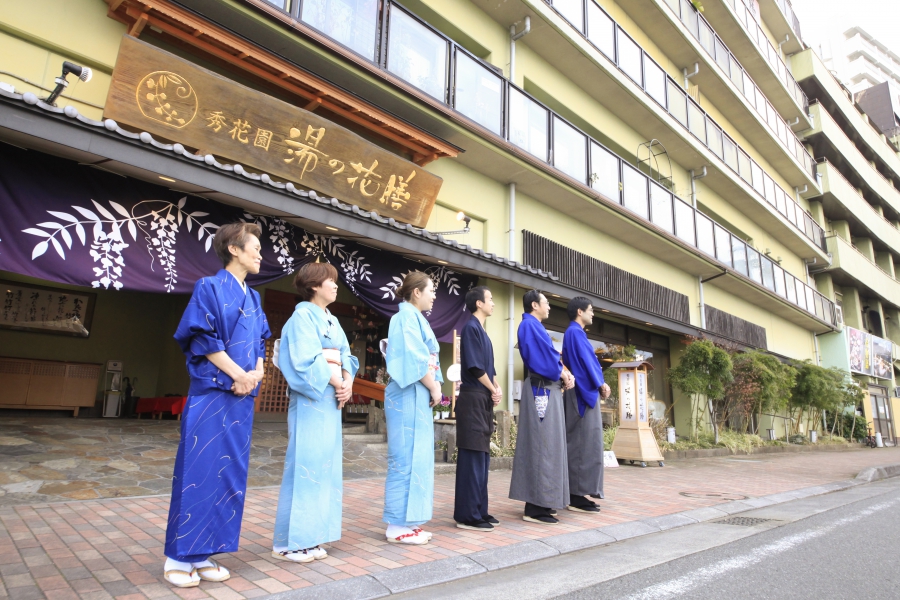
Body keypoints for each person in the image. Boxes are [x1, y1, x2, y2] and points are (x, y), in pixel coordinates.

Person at [163, 222, 271, 588]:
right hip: (213, 392)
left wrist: (255, 372)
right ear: (234, 249)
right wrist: (237, 375)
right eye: (254, 247)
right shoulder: (208, 287)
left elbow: (260, 343)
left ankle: (205, 551)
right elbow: (202, 338)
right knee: (200, 469)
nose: (260, 253)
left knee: (229, 473)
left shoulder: (253, 297)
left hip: (242, 396)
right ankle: (179, 556)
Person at [271, 262, 359, 563]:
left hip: (331, 397)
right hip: (312, 396)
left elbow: (346, 354)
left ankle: (311, 536)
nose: (335, 285)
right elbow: (304, 357)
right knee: (305, 464)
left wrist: (348, 382)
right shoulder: (301, 317)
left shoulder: (331, 319)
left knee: (325, 464)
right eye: (330, 281)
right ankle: (292, 542)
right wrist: (338, 381)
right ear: (313, 286)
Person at [383, 271, 443, 544]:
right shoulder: (404, 317)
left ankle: (410, 521)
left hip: (418, 391)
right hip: (408, 392)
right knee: (404, 457)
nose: (433, 295)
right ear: (416, 292)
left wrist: (434, 385)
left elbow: (426, 358)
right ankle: (396, 525)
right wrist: (433, 385)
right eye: (430, 290)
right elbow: (414, 357)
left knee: (417, 456)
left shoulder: (414, 318)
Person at [509, 290, 575, 525]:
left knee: (549, 444)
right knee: (541, 444)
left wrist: (563, 373)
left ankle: (544, 500)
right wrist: (562, 372)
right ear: (535, 305)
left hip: (546, 389)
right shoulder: (529, 326)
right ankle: (534, 506)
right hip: (541, 390)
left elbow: (549, 357)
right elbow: (543, 359)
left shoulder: (534, 326)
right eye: (546, 303)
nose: (549, 307)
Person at [454, 286, 502, 531]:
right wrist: (492, 389)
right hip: (473, 399)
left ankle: (479, 510)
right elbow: (474, 367)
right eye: (490, 298)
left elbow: (489, 369)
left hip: (482, 399)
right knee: (472, 457)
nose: (493, 303)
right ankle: (467, 515)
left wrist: (497, 387)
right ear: (479, 304)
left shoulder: (482, 331)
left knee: (482, 457)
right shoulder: (470, 328)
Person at [561, 297, 611, 513]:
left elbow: (586, 362)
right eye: (591, 310)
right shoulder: (574, 332)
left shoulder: (574, 333)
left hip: (581, 394)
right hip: (581, 396)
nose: (593, 314)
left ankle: (578, 493)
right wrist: (600, 383)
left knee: (585, 444)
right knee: (582, 443)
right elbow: (587, 363)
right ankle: (575, 495)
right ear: (579, 312)